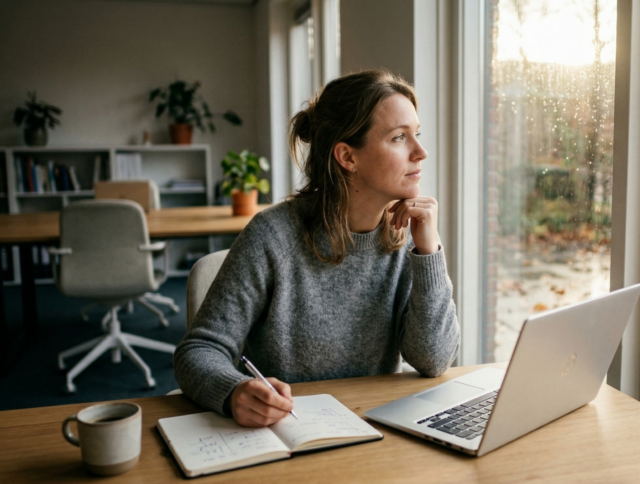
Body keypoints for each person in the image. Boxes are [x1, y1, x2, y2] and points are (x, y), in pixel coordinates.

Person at [174, 69, 460, 428]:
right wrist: (234, 391)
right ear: (347, 157)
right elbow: (198, 351)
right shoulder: (272, 236)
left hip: (375, 430)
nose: (421, 152)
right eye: (399, 138)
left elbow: (433, 360)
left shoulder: (407, 238)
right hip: (289, 432)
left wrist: (428, 252)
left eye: (416, 134)